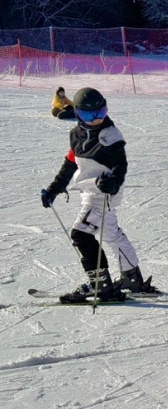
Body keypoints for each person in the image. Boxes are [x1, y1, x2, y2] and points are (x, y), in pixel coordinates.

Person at [40, 87, 158, 303]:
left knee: (80, 235)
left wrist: (114, 183)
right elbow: (70, 165)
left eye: (101, 112)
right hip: (89, 191)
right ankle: (132, 278)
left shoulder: (110, 135)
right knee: (112, 235)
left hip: (103, 193)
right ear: (78, 113)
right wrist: (54, 189)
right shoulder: (76, 135)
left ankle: (100, 286)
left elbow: (121, 165)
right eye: (89, 114)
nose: (96, 118)